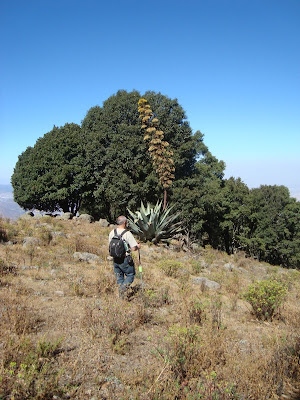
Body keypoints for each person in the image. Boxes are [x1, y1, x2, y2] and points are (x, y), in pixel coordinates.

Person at [108, 215, 141, 298]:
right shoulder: (127, 233)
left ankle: (121, 297)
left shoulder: (112, 232)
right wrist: (138, 246)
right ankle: (123, 290)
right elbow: (133, 248)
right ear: (124, 223)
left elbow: (110, 245)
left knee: (119, 277)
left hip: (115, 259)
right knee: (130, 275)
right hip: (125, 259)